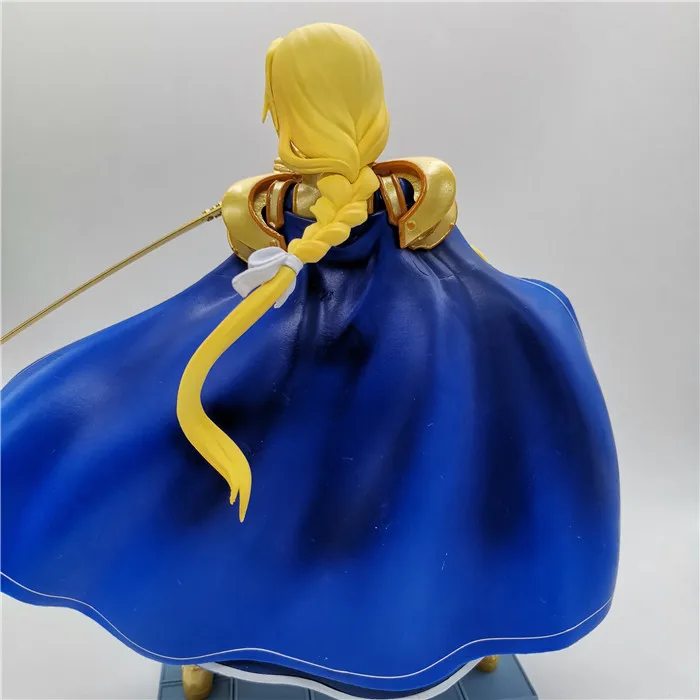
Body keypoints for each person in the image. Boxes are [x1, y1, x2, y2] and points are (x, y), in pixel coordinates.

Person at [1, 23, 619, 700]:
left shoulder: (353, 197)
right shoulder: (369, 194)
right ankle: (228, 631)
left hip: (359, 350)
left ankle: (220, 632)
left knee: (269, 457)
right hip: (338, 338)